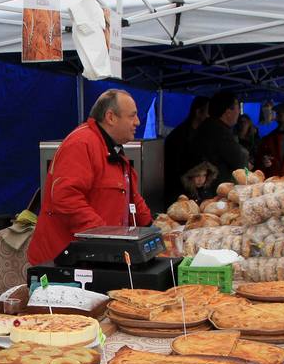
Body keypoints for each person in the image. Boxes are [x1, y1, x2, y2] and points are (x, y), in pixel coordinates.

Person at [28, 89, 154, 265]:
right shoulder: (81, 143)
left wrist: (151, 229)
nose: (138, 122)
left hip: (95, 256)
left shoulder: (113, 149)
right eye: (132, 116)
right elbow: (66, 197)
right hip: (64, 261)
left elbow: (131, 198)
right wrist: (103, 236)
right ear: (111, 117)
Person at [192, 90, 251, 186]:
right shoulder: (219, 131)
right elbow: (240, 160)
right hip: (215, 190)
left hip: (208, 187)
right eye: (237, 108)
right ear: (228, 112)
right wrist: (246, 161)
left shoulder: (209, 126)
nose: (239, 113)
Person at [163, 96, 209, 205]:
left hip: (191, 193)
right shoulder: (179, 136)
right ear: (198, 112)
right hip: (178, 195)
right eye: (208, 112)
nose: (211, 117)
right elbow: (175, 170)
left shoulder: (200, 133)